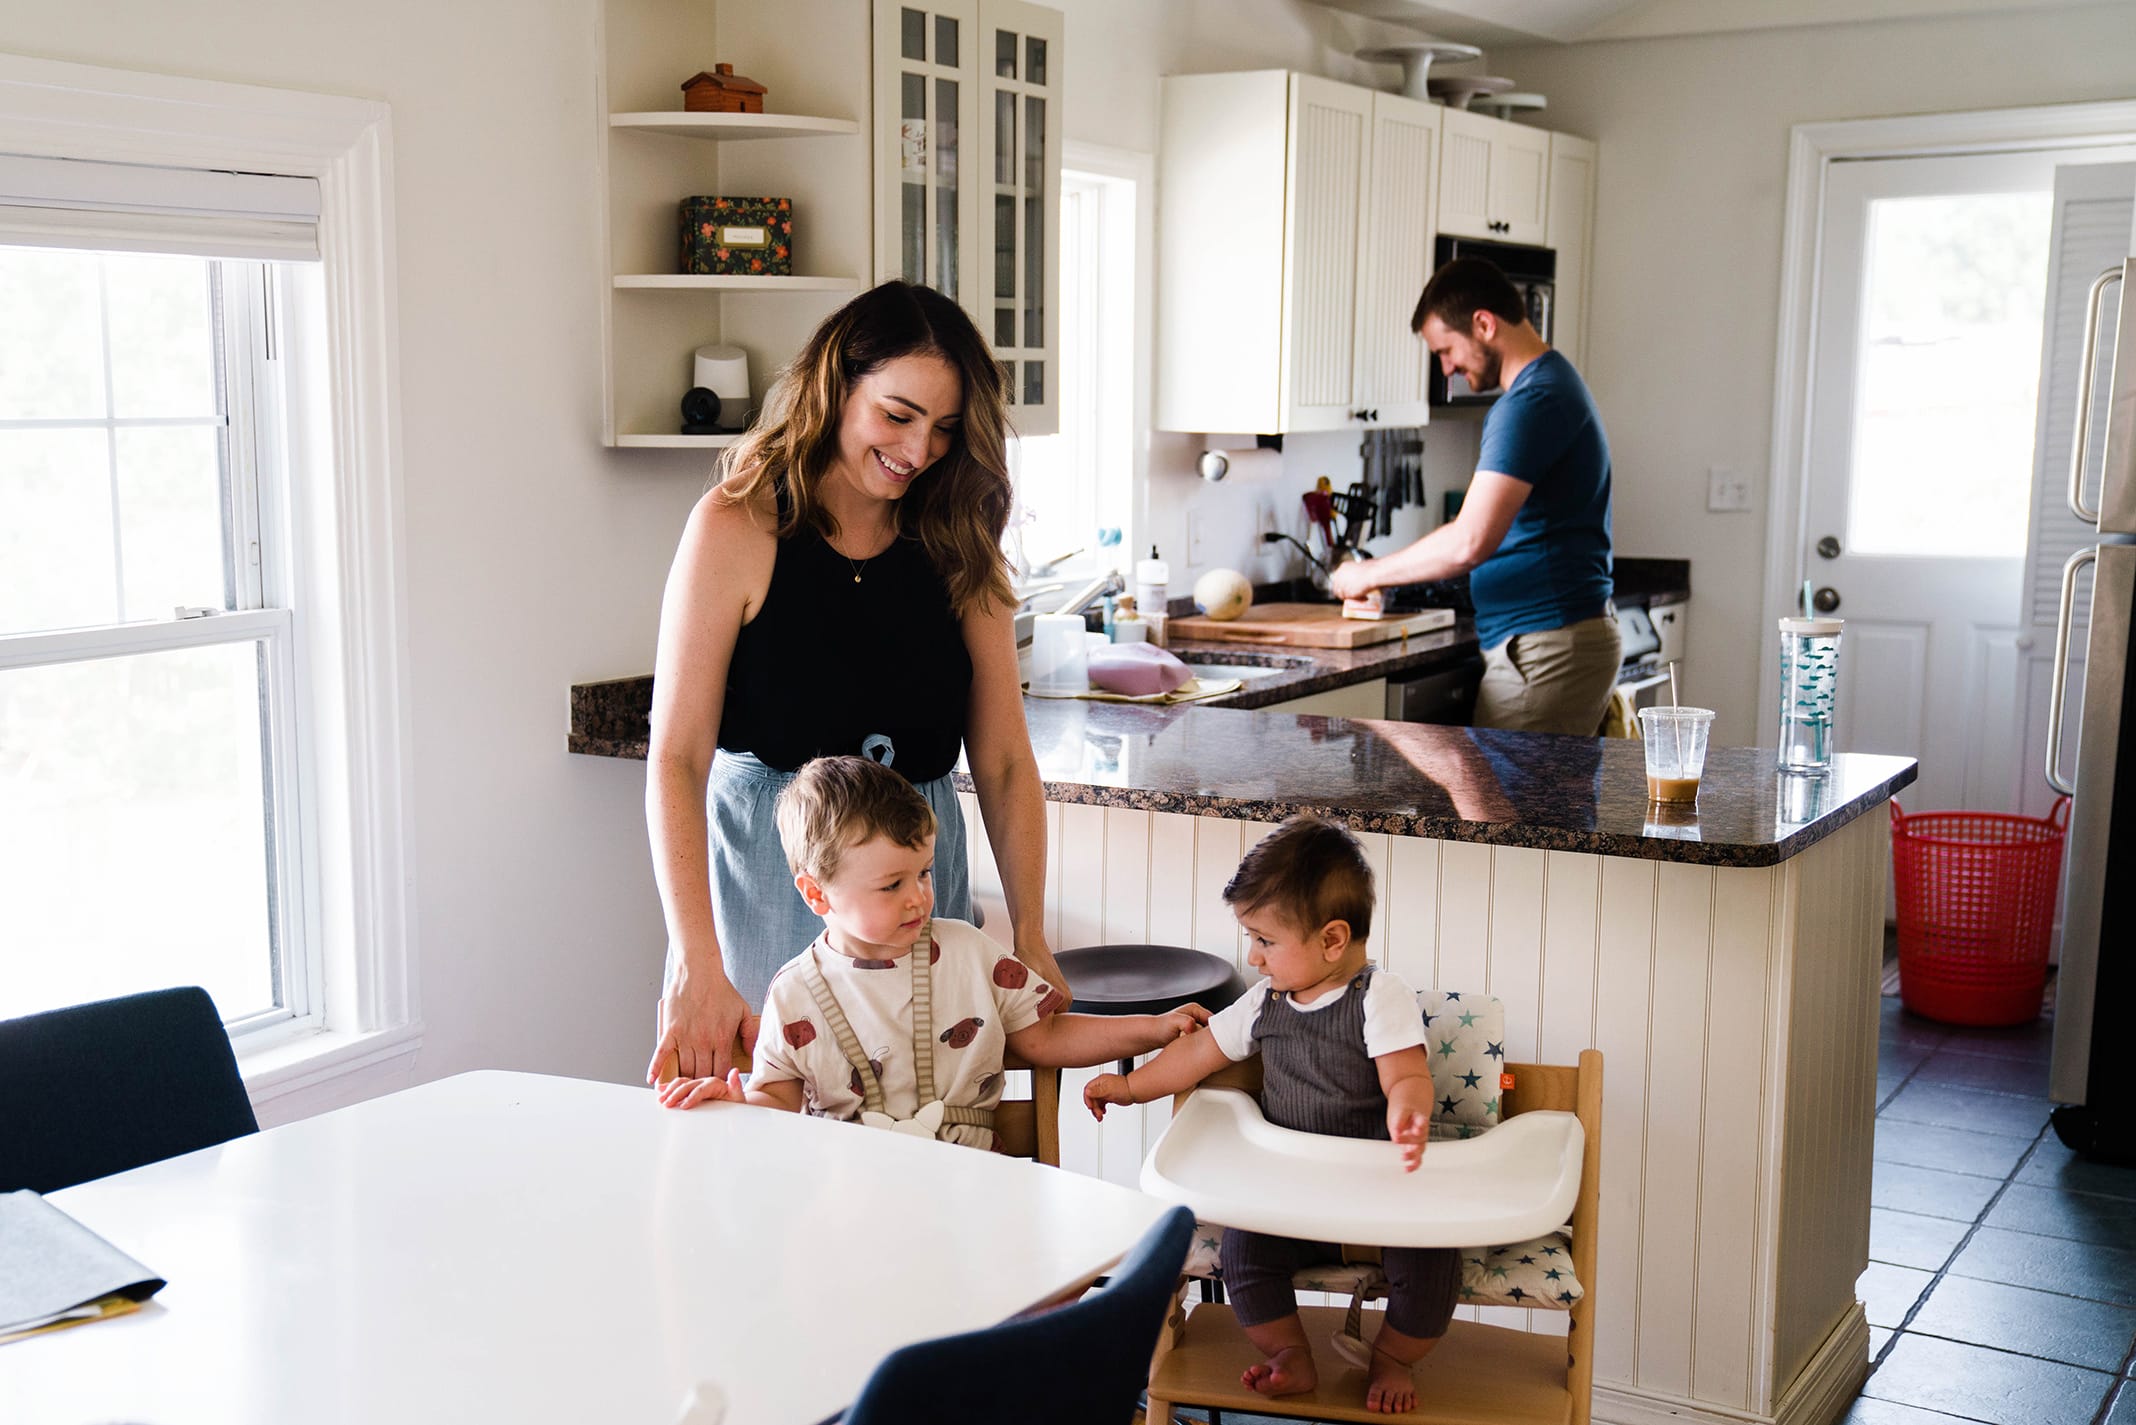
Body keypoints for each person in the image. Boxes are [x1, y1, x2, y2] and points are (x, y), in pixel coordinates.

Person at [645, 281, 1065, 1090]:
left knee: (930, 1143)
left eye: (944, 429)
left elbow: (1007, 761)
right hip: (764, 892)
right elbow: (677, 758)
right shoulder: (736, 526)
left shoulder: (959, 540)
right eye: (898, 415)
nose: (919, 450)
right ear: (837, 384)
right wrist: (697, 959)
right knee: (760, 1170)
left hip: (920, 893)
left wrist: (1033, 934)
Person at [1083, 815, 1455, 1416]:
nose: (1252, 957)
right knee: (1243, 1257)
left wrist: (1409, 1113)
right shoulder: (1263, 1004)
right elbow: (1197, 1055)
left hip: (1381, 1199)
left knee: (1437, 1264)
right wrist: (1130, 1088)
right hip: (1288, 1198)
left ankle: (1393, 1358)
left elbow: (1406, 1071)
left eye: (1265, 940)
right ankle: (1291, 1356)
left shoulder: (1380, 996)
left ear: (1332, 940)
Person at [658, 756, 1206, 1143]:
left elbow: (1045, 1037)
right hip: (845, 1215)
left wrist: (1153, 1027)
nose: (919, 896)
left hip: (968, 1203)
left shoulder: (970, 951)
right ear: (815, 893)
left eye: (923, 872)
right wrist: (736, 1104)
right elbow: (777, 1103)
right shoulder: (792, 993)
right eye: (891, 885)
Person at [1330, 257, 1621, 736]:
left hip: (1545, 646)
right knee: (1527, 809)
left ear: (1484, 324)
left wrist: (1364, 572)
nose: (1447, 368)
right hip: (1554, 638)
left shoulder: (1530, 402)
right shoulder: (1552, 384)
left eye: (1446, 350)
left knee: (1503, 812)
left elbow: (1469, 541)